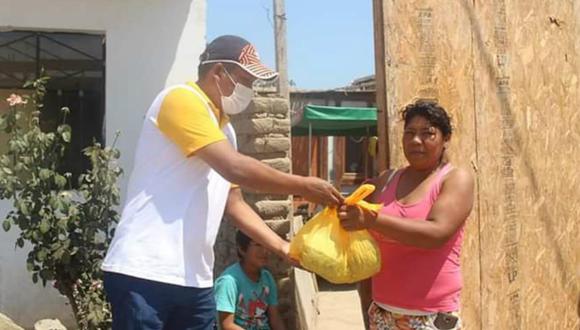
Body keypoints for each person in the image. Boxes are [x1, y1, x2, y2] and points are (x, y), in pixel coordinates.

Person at [101, 35, 342, 330]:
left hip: (195, 277)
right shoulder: (180, 100)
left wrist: (282, 248)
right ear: (218, 72)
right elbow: (235, 168)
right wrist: (304, 185)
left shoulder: (225, 131)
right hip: (145, 271)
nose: (249, 91)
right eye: (246, 81)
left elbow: (234, 203)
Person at [338, 100, 474, 330]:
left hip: (431, 317)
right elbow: (351, 212)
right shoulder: (386, 180)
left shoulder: (455, 180)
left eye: (427, 134)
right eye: (409, 133)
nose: (416, 141)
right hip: (383, 312)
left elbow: (436, 234)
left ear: (446, 138)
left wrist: (372, 220)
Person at [215, 231, 286, 330]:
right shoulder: (229, 282)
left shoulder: (266, 277)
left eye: (267, 244)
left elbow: (275, 317)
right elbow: (227, 325)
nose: (265, 251)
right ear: (242, 249)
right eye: (258, 245)